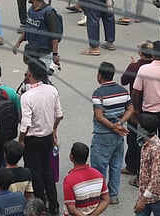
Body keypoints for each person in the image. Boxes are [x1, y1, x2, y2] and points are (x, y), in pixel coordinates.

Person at [19, 61, 62, 214]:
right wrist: (53, 129)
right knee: (47, 170)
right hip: (47, 136)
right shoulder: (52, 90)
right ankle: (54, 205)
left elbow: (25, 123)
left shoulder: (27, 96)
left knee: (36, 173)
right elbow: (59, 115)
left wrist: (21, 139)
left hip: (32, 139)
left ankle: (40, 207)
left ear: (29, 74)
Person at [89, 62, 131, 204]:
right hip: (118, 136)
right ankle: (113, 195)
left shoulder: (98, 93)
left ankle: (101, 196)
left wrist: (113, 126)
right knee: (115, 165)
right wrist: (120, 123)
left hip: (102, 135)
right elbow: (130, 109)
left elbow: (99, 117)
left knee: (99, 168)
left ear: (99, 76)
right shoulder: (123, 91)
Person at [62, 142, 108, 216]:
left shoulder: (69, 180)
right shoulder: (98, 174)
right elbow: (106, 199)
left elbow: (71, 208)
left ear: (71, 157)